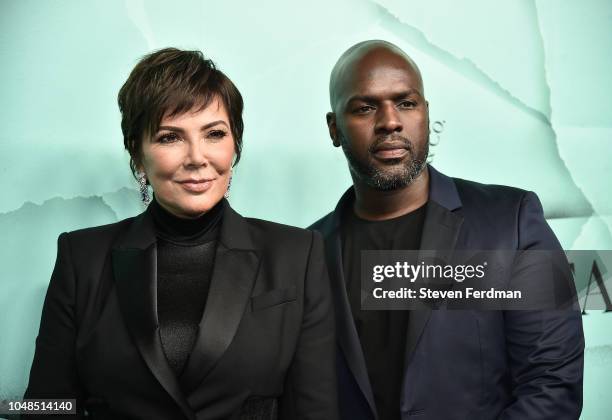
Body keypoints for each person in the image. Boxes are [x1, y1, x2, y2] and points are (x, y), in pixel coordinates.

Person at [24, 48, 338, 420]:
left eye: (214, 134)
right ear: (137, 154)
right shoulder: (82, 257)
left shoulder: (297, 254)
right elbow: (44, 407)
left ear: (234, 145)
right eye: (170, 137)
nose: (196, 157)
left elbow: (315, 410)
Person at [310, 40, 584, 420]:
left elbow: (552, 385)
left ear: (425, 113)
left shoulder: (513, 222)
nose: (390, 121)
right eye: (365, 107)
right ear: (334, 128)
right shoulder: (306, 252)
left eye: (406, 103)